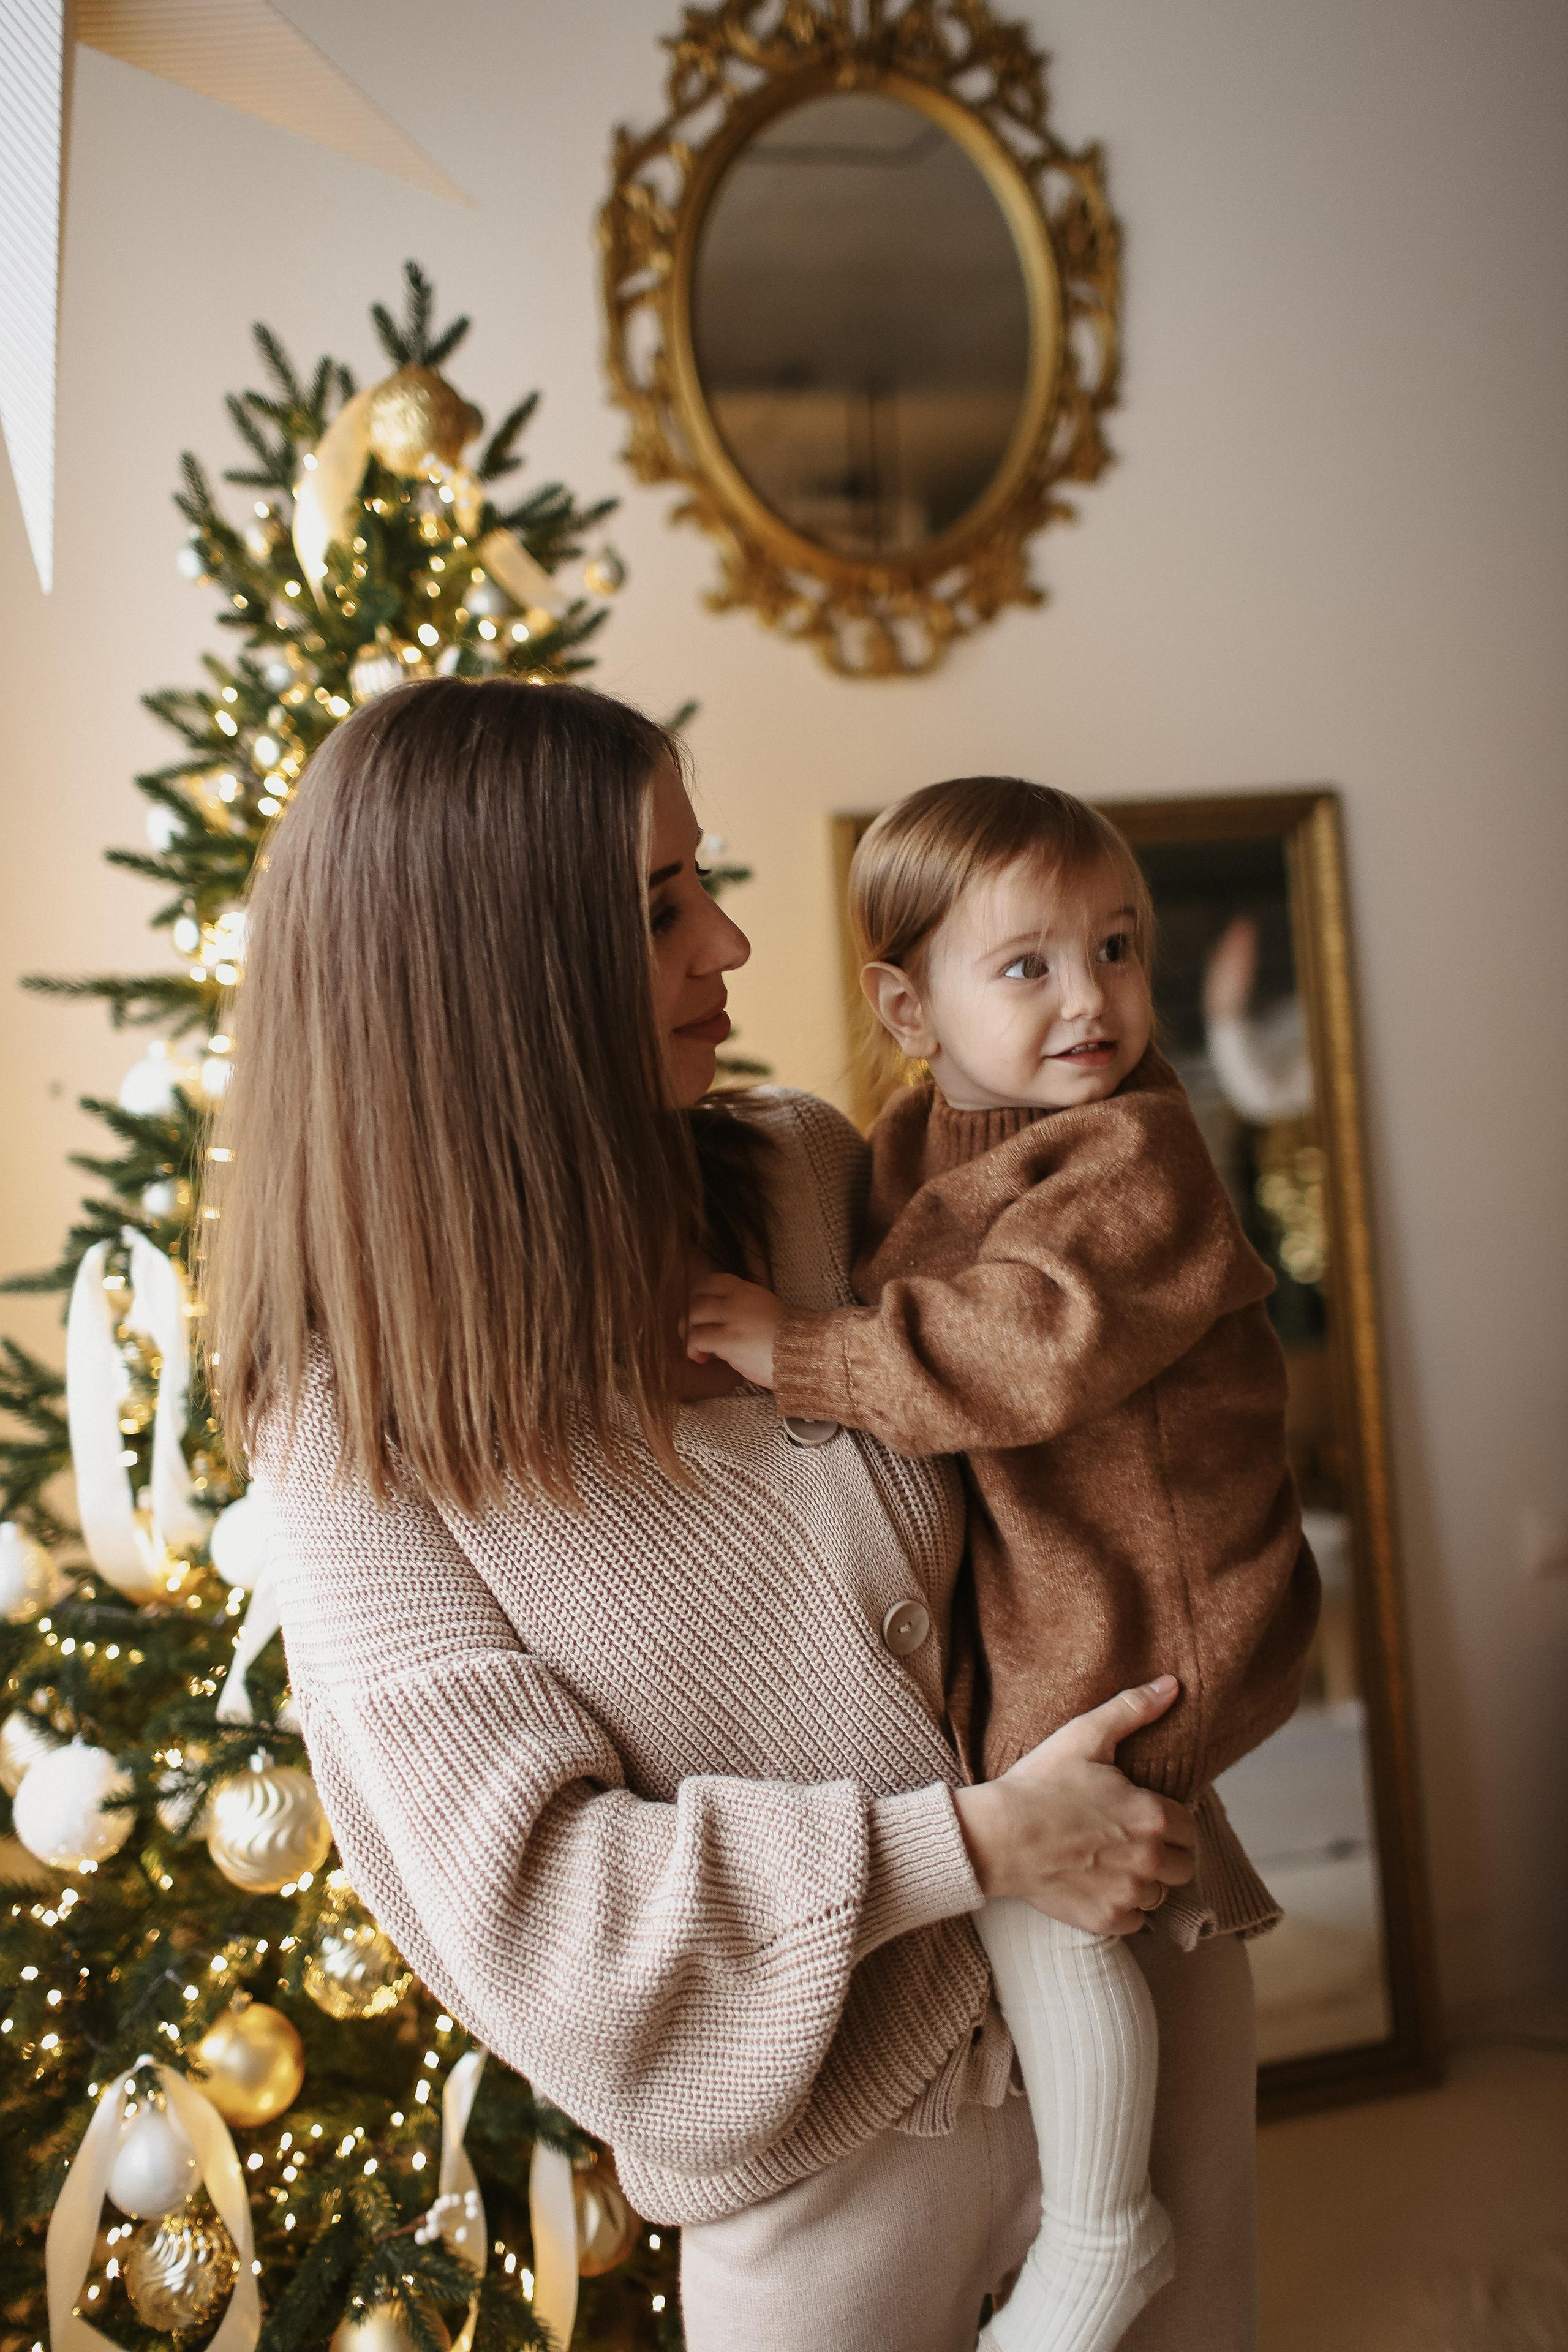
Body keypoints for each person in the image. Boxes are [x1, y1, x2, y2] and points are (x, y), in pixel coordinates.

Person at [206, 684, 1262, 2352]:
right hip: (826, 2161)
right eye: (660, 909)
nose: (733, 947)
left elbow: (1073, 1383)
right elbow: (541, 1919)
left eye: (704, 882)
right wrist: (973, 1845)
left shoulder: (802, 1173)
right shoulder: (351, 1444)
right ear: (496, 982)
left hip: (1142, 1969)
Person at [688, 777, 1321, 2352]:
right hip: (1066, 1581)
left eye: (1115, 947)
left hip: (1161, 1599)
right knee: (1018, 1877)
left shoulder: (1137, 1159)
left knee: (1049, 1894)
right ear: (909, 1006)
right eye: (1026, 965)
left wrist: (801, 1354)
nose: (1091, 997)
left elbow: (1022, 1350)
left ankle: (1104, 2228)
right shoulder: (908, 1149)